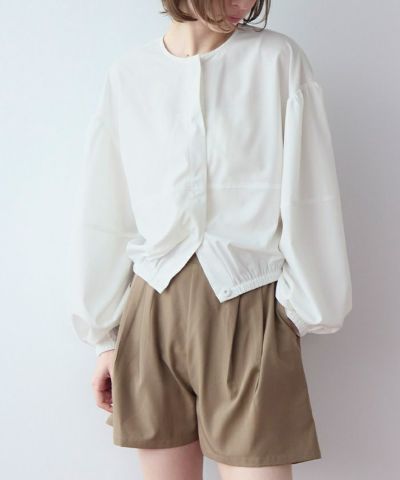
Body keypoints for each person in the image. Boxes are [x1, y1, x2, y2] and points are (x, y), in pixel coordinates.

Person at [70, 0, 352, 478]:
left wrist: (297, 315)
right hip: (151, 313)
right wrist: (104, 339)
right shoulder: (129, 75)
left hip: (251, 308)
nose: (247, 4)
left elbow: (310, 194)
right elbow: (106, 211)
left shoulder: (277, 61)